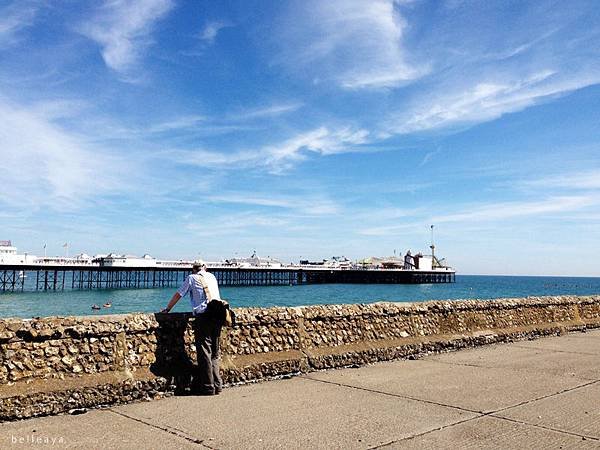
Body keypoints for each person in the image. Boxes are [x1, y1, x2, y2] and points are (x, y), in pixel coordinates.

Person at [161, 260, 223, 395]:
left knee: (204, 351)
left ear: (193, 269)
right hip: (218, 316)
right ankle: (217, 385)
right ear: (205, 268)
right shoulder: (212, 277)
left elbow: (179, 294)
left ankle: (208, 386)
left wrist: (168, 308)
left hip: (204, 316)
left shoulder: (192, 278)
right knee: (214, 352)